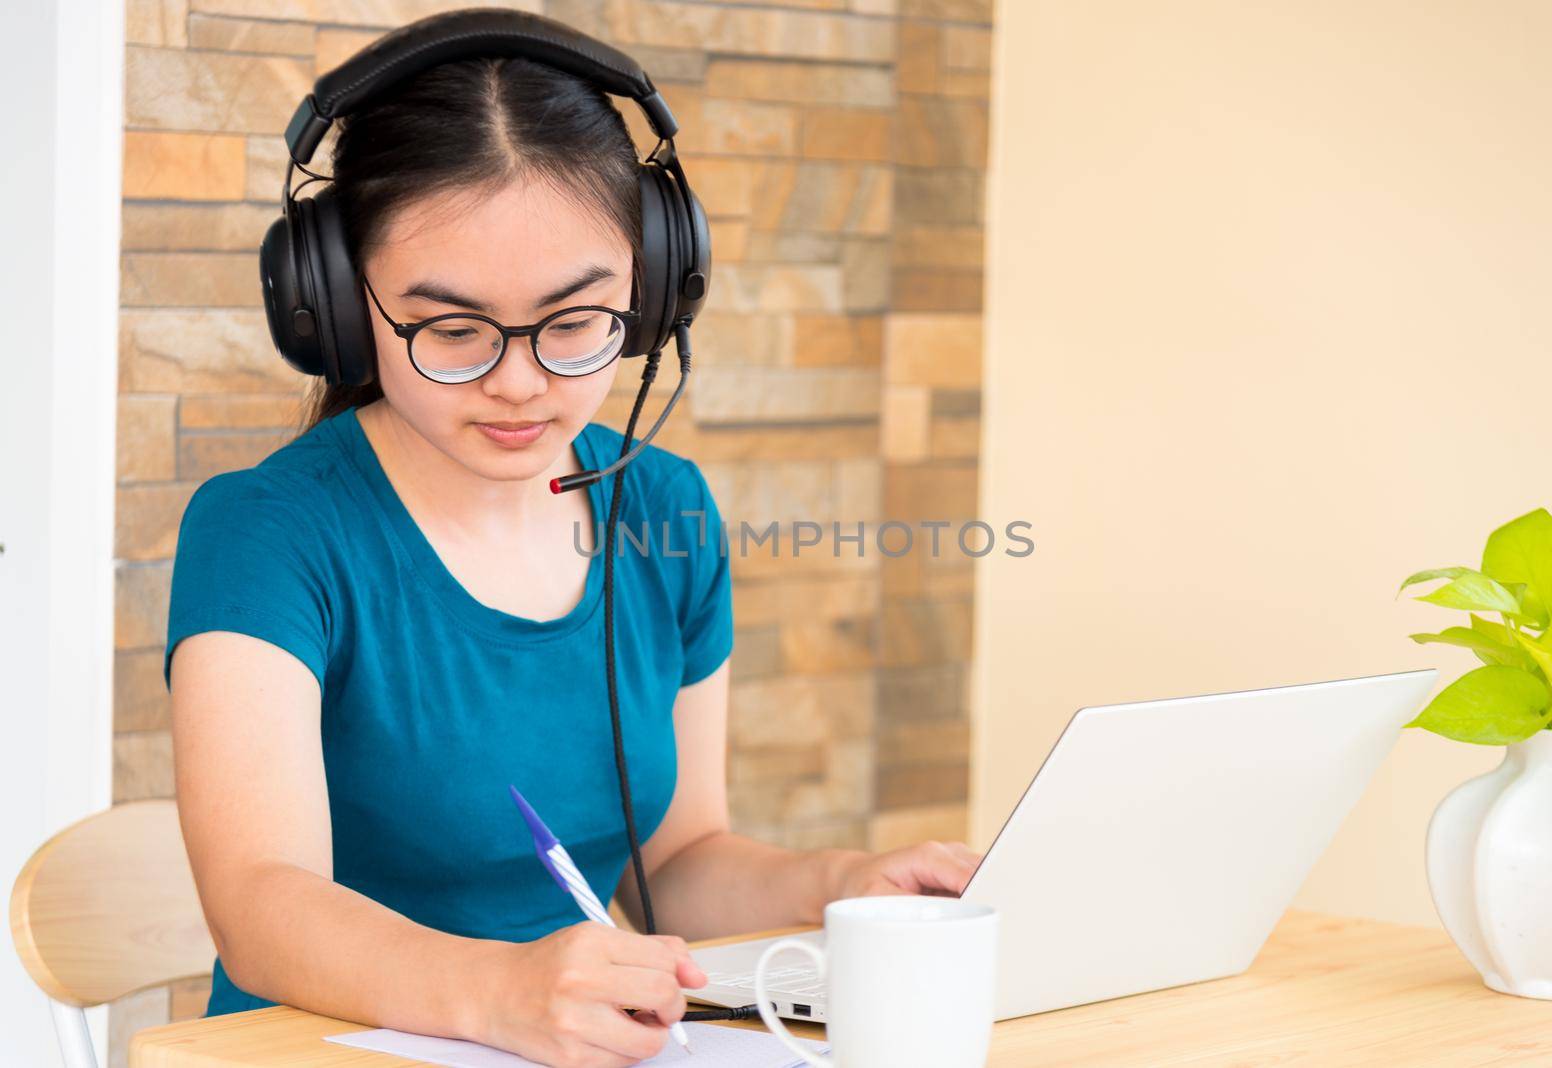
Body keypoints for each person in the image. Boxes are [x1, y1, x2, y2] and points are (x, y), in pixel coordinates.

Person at [164, 51, 982, 1068]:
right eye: (453, 330)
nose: (520, 383)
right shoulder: (267, 531)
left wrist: (844, 883)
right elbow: (261, 904)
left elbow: (675, 862)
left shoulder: (665, 506)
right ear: (334, 303)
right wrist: (498, 990)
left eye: (574, 323)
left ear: (647, 298)